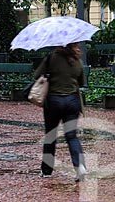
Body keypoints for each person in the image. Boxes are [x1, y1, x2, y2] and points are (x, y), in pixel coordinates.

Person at [34, 42, 87, 181]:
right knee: (72, 136)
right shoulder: (77, 60)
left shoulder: (51, 58)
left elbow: (37, 75)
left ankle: (46, 171)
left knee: (50, 136)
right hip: (72, 102)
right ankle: (80, 166)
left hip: (53, 102)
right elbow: (81, 82)